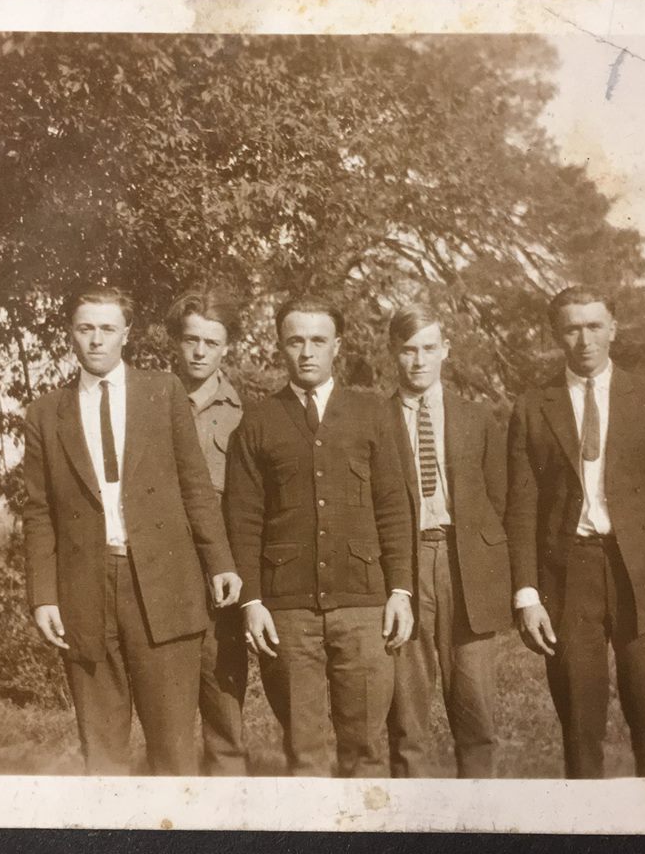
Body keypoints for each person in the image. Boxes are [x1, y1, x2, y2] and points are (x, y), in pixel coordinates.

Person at [23, 284, 241, 775]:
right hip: (85, 593)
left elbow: (195, 488)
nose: (96, 340)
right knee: (102, 757)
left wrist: (221, 563)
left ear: (126, 333)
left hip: (164, 588)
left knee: (174, 754)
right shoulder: (43, 414)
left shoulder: (162, 393)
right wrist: (43, 595)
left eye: (106, 329)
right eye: (85, 329)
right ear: (70, 335)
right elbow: (39, 513)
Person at [225, 295, 414, 777]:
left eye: (318, 340)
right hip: (286, 613)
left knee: (366, 749)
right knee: (303, 752)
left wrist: (400, 591)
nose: (306, 351)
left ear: (337, 347)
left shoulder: (371, 413)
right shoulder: (258, 421)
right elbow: (242, 519)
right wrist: (253, 602)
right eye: (295, 340)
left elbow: (394, 507)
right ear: (280, 347)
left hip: (364, 607)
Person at [506, 285, 645, 778]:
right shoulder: (534, 406)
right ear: (556, 334)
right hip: (569, 572)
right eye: (572, 328)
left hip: (640, 573)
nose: (584, 339)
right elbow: (520, 505)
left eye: (595, 326)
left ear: (613, 329)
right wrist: (527, 594)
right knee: (579, 721)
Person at [385, 304, 511, 778]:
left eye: (429, 349)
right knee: (406, 715)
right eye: (408, 350)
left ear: (446, 351)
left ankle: (478, 825)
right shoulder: (374, 418)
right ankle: (411, 825)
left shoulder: (476, 418)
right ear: (392, 354)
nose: (419, 361)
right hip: (405, 563)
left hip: (466, 564)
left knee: (475, 707)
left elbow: (499, 500)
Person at [165, 289, 248, 776]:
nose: (199, 351)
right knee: (168, 717)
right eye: (190, 339)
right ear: (176, 342)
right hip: (160, 577)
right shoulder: (148, 404)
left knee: (224, 709)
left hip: (221, 579)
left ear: (226, 348)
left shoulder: (244, 415)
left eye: (210, 342)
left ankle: (231, 821)